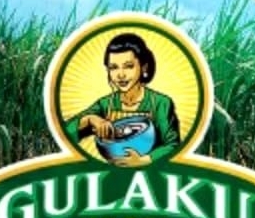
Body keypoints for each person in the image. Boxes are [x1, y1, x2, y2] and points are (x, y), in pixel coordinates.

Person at [64, 32, 180, 166]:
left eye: (128, 66)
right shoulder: (105, 104)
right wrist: (91, 119)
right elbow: (64, 133)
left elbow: (173, 146)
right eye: (113, 68)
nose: (120, 75)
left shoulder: (160, 103)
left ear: (144, 67)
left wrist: (144, 160)